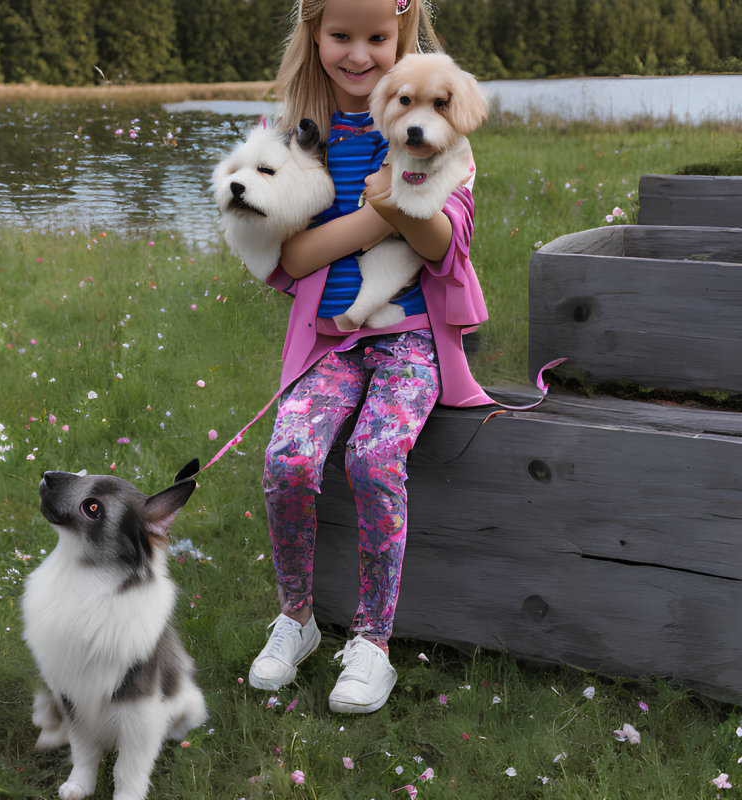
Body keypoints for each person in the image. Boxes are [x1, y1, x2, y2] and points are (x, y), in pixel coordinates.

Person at [248, 0, 494, 714]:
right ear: (313, 35)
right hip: (331, 339)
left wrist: (403, 212)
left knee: (373, 457)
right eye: (341, 37)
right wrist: (381, 209)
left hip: (412, 338)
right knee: (289, 458)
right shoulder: (295, 135)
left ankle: (373, 642)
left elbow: (446, 245)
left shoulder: (436, 123)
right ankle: (295, 617)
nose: (359, 54)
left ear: (402, 35)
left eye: (377, 38)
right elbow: (290, 255)